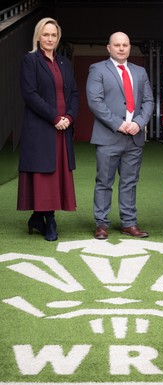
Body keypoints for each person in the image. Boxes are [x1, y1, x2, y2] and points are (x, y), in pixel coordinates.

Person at [86, 31, 154, 239]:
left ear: (129, 47)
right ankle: (101, 224)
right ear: (109, 48)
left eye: (125, 45)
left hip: (134, 137)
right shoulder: (97, 69)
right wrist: (119, 124)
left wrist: (138, 123)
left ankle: (129, 223)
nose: (121, 48)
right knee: (104, 182)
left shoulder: (140, 71)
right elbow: (95, 102)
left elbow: (149, 101)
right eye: (117, 45)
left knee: (130, 182)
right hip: (108, 137)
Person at [17, 17, 79, 241]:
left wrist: (69, 117)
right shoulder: (30, 60)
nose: (50, 38)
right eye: (46, 34)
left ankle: (40, 217)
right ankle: (47, 219)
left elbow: (73, 94)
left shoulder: (64, 63)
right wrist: (55, 117)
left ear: (58, 37)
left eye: (53, 35)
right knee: (44, 175)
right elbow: (30, 94)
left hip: (63, 129)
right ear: (38, 37)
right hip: (42, 128)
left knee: (57, 175)